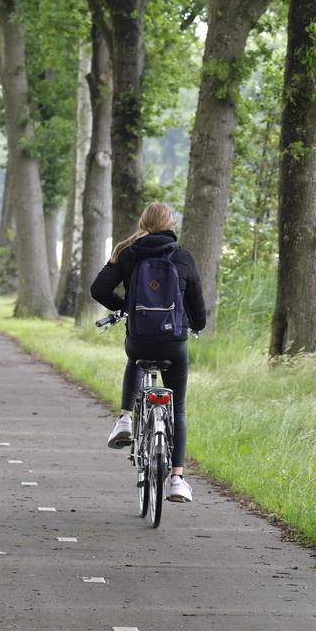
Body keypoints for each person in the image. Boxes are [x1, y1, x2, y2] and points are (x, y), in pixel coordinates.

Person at [90, 202, 206, 503]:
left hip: (140, 339)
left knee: (136, 360)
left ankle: (126, 418)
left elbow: (98, 289)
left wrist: (124, 307)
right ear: (171, 225)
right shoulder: (181, 256)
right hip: (174, 342)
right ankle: (178, 479)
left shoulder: (128, 253)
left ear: (144, 223)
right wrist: (196, 325)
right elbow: (198, 306)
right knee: (177, 409)